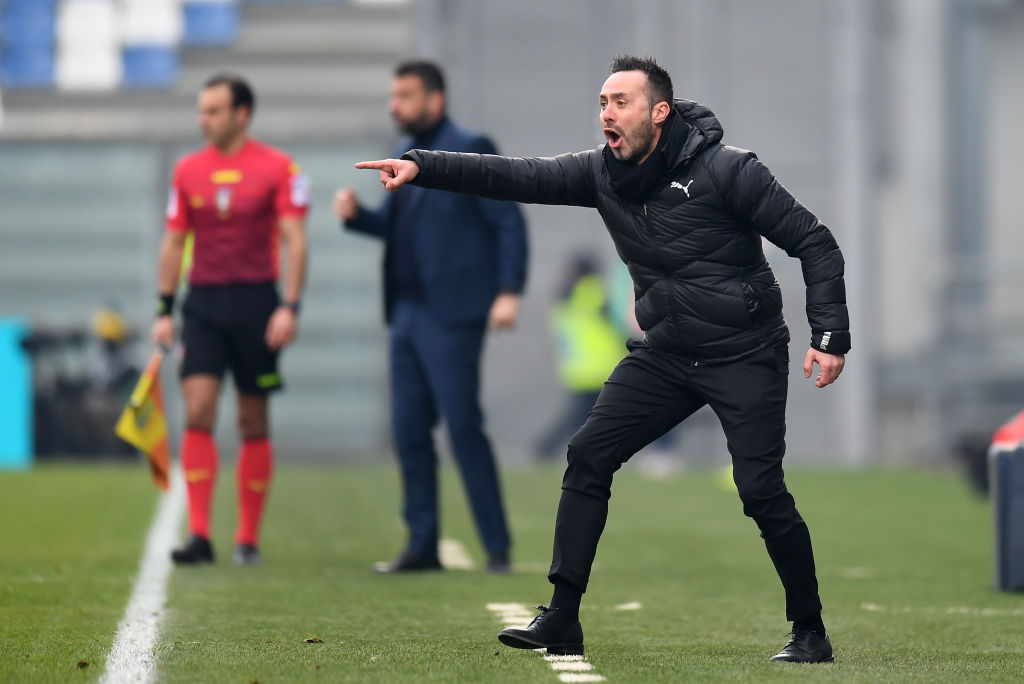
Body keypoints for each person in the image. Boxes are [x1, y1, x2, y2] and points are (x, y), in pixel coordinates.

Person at [355, 55, 848, 662]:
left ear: (659, 112)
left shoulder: (729, 170)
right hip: (668, 353)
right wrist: (423, 166)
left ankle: (810, 631)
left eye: (620, 102)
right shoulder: (600, 173)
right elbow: (518, 176)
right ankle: (561, 618)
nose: (607, 114)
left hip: (745, 352)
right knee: (588, 452)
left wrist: (829, 335)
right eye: (602, 103)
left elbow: (815, 242)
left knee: (760, 491)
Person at [333, 61, 528, 574]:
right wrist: (359, 219)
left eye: (405, 95)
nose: (394, 105)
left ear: (435, 100)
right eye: (393, 95)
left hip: (453, 313)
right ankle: (422, 545)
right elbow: (400, 229)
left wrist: (509, 290)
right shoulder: (403, 152)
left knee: (463, 427)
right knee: (409, 430)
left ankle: (496, 547)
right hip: (406, 313)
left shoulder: (471, 145)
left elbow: (507, 220)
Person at [152, 74, 309, 566]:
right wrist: (164, 310)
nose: (204, 120)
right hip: (203, 304)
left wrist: (289, 306)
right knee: (198, 408)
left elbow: (295, 239)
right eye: (202, 110)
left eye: (214, 110)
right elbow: (174, 242)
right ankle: (199, 535)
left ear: (242, 114)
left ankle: (247, 538)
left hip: (256, 304)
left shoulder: (279, 167)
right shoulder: (187, 170)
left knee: (251, 418)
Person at [533, 253, 624, 461]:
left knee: (582, 417)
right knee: (589, 417)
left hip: (576, 369)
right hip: (603, 367)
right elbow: (619, 325)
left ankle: (552, 449)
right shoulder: (595, 293)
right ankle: (547, 448)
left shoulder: (562, 299)